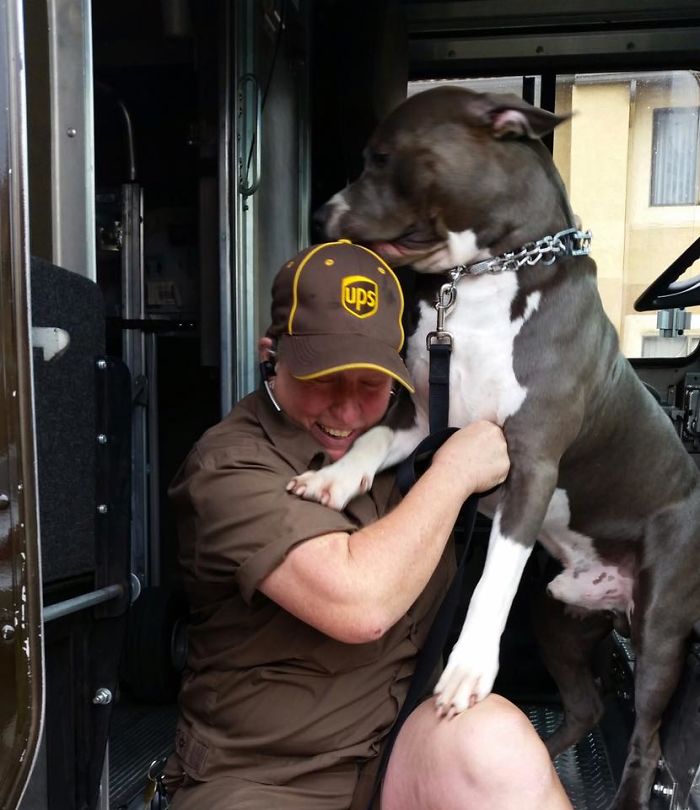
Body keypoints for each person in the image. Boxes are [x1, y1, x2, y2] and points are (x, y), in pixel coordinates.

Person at [164, 240, 573, 810]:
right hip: (261, 779)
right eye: (324, 379)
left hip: (388, 756)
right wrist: (454, 472)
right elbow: (361, 605)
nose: (348, 412)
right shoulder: (230, 464)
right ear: (270, 357)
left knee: (496, 744)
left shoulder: (398, 446)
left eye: (371, 383)